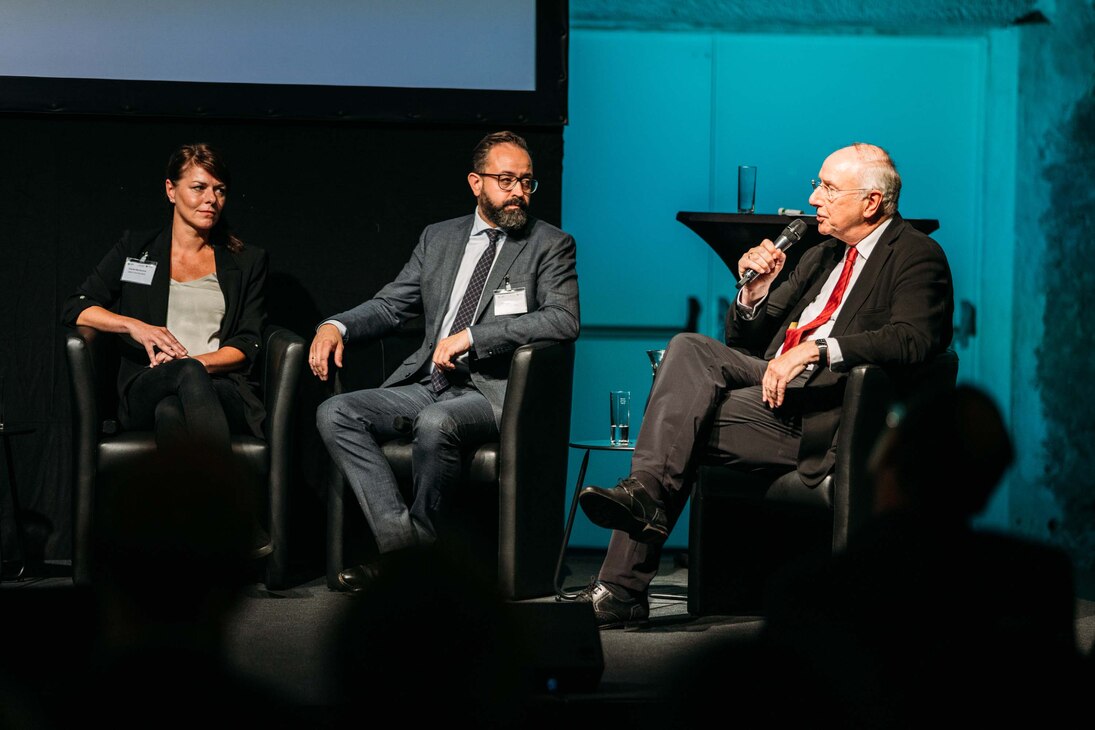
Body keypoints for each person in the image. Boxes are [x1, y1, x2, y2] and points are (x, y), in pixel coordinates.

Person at [576, 143, 954, 628]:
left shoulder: (917, 255)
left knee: (677, 422)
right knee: (688, 349)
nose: (814, 198)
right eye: (817, 185)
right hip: (772, 389)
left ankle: (623, 585)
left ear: (871, 202)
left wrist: (818, 350)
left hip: (827, 412)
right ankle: (643, 501)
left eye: (828, 188)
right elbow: (743, 339)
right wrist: (754, 292)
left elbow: (915, 339)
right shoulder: (821, 254)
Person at [312, 131, 580, 592]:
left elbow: (563, 319)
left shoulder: (549, 245)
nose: (519, 192)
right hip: (428, 381)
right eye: (506, 180)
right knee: (335, 412)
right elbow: (390, 305)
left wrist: (474, 337)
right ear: (476, 183)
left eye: (527, 182)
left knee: (436, 422)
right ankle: (407, 550)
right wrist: (336, 325)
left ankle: (406, 566)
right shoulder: (439, 238)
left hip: (492, 391)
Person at [61, 142, 270, 556]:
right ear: (171, 191)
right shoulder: (136, 249)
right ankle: (236, 516)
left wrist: (194, 362)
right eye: (199, 188)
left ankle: (182, 547)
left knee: (173, 408)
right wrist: (134, 326)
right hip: (145, 384)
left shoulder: (246, 261)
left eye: (220, 190)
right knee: (171, 389)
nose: (211, 200)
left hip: (220, 386)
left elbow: (247, 343)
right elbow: (76, 307)